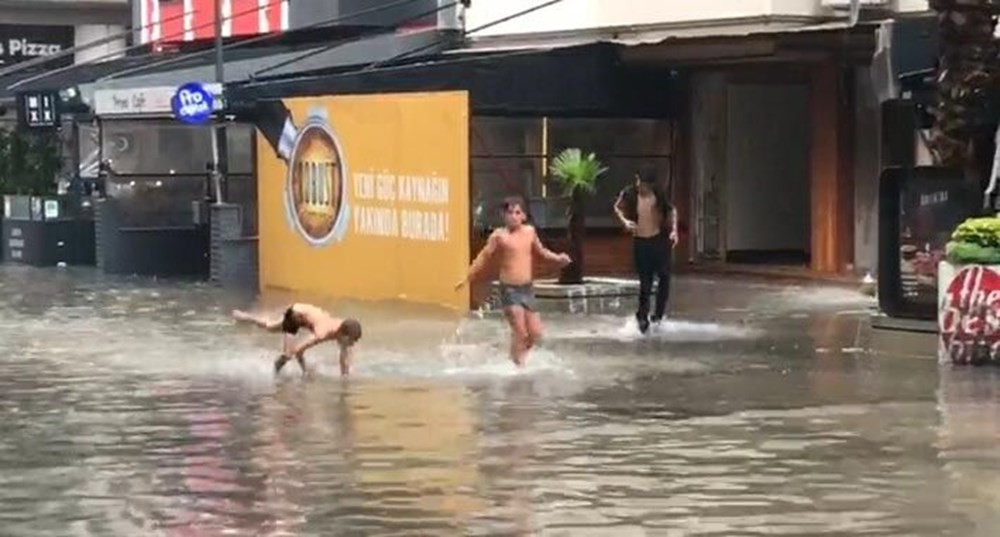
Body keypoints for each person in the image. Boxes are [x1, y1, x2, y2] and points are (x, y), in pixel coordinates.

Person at [455, 197, 571, 367]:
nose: (513, 216)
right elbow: (483, 257)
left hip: (527, 289)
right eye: (510, 212)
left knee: (535, 333)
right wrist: (468, 277)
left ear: (523, 216)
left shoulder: (530, 232)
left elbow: (542, 252)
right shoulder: (499, 236)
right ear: (503, 215)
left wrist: (558, 259)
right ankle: (519, 366)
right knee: (521, 332)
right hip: (509, 290)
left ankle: (514, 356)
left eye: (517, 212)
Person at [613, 171, 679, 334]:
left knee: (664, 277)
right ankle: (642, 316)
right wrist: (625, 221)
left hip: (659, 240)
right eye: (638, 181)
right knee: (645, 282)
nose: (639, 186)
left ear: (650, 185)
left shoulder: (659, 195)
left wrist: (674, 231)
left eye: (643, 184)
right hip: (641, 242)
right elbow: (617, 207)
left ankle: (659, 314)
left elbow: (673, 210)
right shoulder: (630, 193)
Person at [232, 303, 362, 376]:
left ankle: (245, 317)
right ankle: (273, 378)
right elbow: (299, 351)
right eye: (351, 340)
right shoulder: (322, 333)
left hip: (306, 315)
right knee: (287, 354)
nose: (352, 344)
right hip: (295, 314)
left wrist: (345, 376)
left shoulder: (343, 328)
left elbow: (344, 356)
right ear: (343, 334)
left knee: (270, 326)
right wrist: (306, 371)